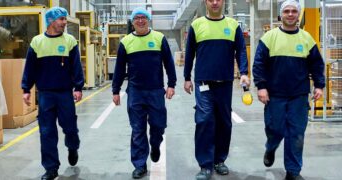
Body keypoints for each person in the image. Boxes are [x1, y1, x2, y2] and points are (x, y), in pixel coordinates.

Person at [253, 1, 325, 180]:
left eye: (294, 11)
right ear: (281, 15)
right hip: (274, 95)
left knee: (296, 134)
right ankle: (271, 147)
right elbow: (259, 64)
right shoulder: (269, 37)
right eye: (287, 11)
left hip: (298, 96)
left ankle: (293, 171)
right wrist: (261, 86)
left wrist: (319, 85)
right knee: (275, 129)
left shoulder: (307, 39)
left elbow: (316, 64)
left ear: (298, 15)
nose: (291, 14)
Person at [184, 0, 250, 179]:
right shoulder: (196, 25)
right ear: (206, 2)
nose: (214, 2)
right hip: (203, 83)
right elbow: (189, 53)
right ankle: (205, 165)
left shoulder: (233, 25)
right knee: (204, 120)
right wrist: (187, 78)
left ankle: (219, 160)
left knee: (224, 122)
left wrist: (243, 72)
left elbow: (241, 51)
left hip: (225, 82)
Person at [112, 7, 177, 179]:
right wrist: (115, 90)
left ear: (148, 20)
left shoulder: (159, 38)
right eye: (137, 18)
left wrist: (171, 84)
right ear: (132, 22)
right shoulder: (126, 42)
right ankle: (139, 164)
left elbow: (169, 63)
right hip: (135, 92)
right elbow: (119, 69)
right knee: (137, 129)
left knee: (158, 126)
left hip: (156, 91)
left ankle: (155, 145)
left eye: (143, 18)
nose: (140, 21)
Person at [21, 7, 84, 180]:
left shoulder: (70, 41)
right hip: (46, 95)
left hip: (65, 94)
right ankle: (51, 168)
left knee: (70, 128)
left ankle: (73, 146)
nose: (65, 22)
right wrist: (26, 89)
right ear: (51, 21)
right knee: (47, 132)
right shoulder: (37, 42)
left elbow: (76, 67)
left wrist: (78, 87)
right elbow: (30, 68)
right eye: (62, 19)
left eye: (65, 19)